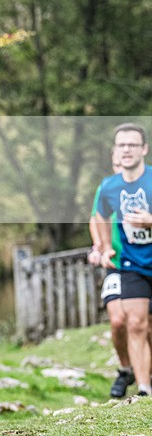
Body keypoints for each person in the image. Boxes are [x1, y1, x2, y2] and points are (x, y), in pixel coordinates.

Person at [96, 123, 152, 397]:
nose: (127, 149)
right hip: (131, 264)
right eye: (122, 145)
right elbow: (99, 216)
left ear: (144, 149)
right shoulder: (109, 187)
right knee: (135, 323)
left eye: (132, 144)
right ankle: (144, 390)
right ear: (116, 151)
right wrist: (105, 246)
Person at [88, 150, 134, 397]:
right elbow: (95, 220)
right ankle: (126, 369)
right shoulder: (105, 190)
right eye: (116, 164)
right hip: (115, 265)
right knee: (118, 321)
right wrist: (99, 246)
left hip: (143, 264)